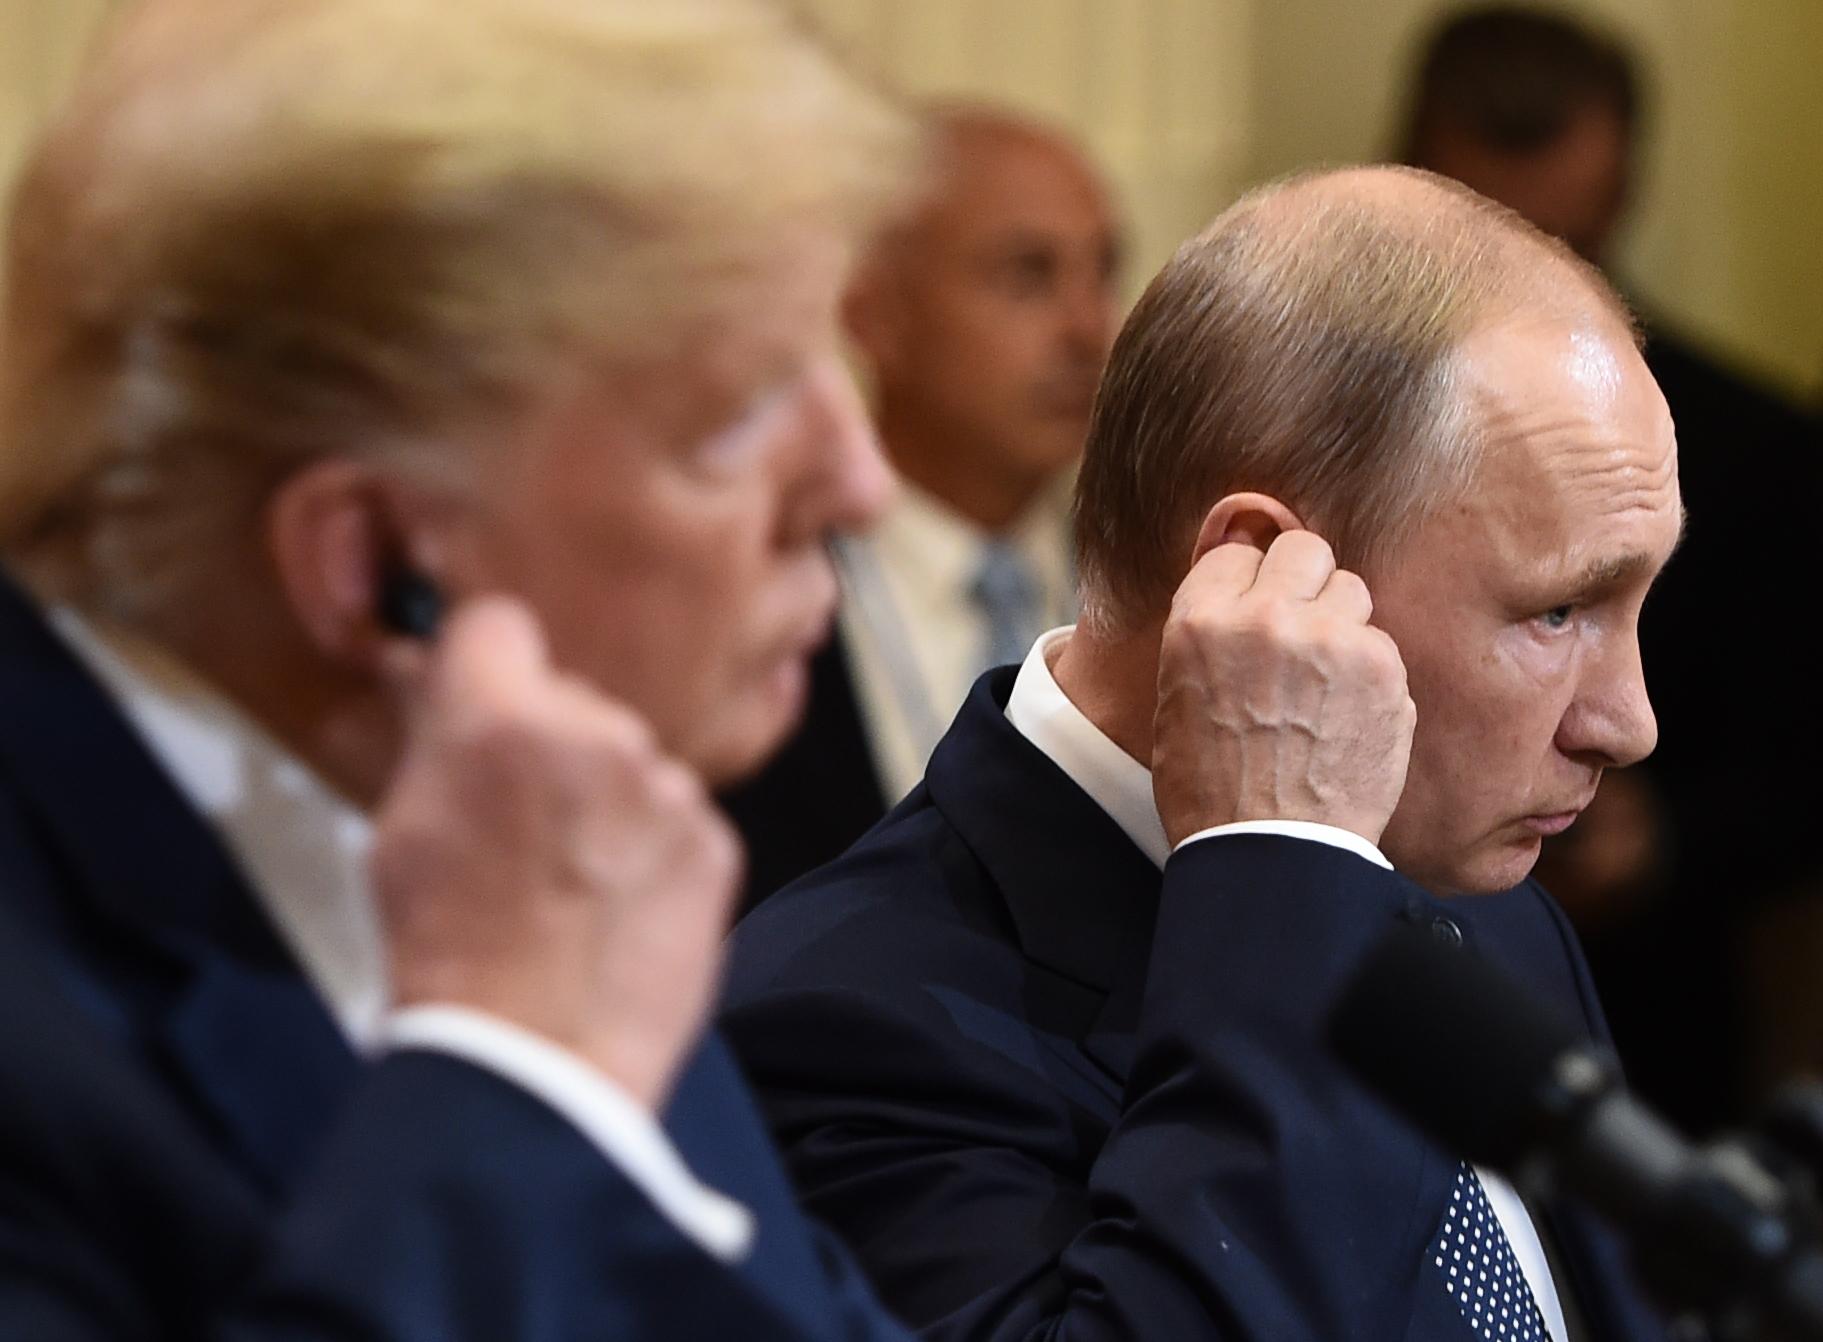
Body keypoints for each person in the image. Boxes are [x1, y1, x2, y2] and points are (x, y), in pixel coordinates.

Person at [0, 0, 922, 1337]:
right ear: (371, 557)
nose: (860, 482)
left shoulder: (548, 833)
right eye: (736, 416)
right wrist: (511, 1076)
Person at [723, 165, 1676, 1341]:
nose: (1627, 720)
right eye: (1556, 612)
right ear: (1274, 577)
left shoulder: (1492, 915)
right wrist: (1281, 860)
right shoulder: (833, 1020)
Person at [1400, 3, 1823, 1134]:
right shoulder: (1316, 435)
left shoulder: (1753, 451)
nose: (1533, 295)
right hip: (1361, 1003)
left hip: (1641, 1040)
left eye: (1567, 244)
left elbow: (1819, 785)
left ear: (1620, 193)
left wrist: (1663, 843)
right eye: (1489, 245)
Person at [723, 107, 1120, 910]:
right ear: (877, 317)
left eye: (1104, 271)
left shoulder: (1157, 580)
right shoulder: (748, 594)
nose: (1088, 327)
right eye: (1027, 274)